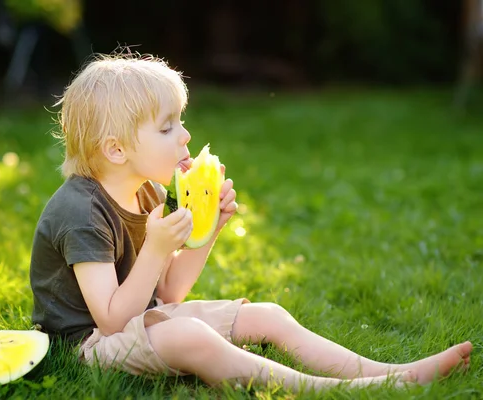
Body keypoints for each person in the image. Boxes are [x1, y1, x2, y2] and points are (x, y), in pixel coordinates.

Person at [29, 53, 472, 392]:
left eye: (180, 122)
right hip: (86, 347)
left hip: (139, 322)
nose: (184, 135)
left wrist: (209, 229)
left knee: (268, 315)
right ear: (116, 150)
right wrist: (157, 249)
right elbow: (109, 320)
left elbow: (168, 293)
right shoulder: (80, 213)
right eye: (167, 128)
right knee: (190, 336)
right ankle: (340, 391)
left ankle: (388, 373)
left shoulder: (146, 190)